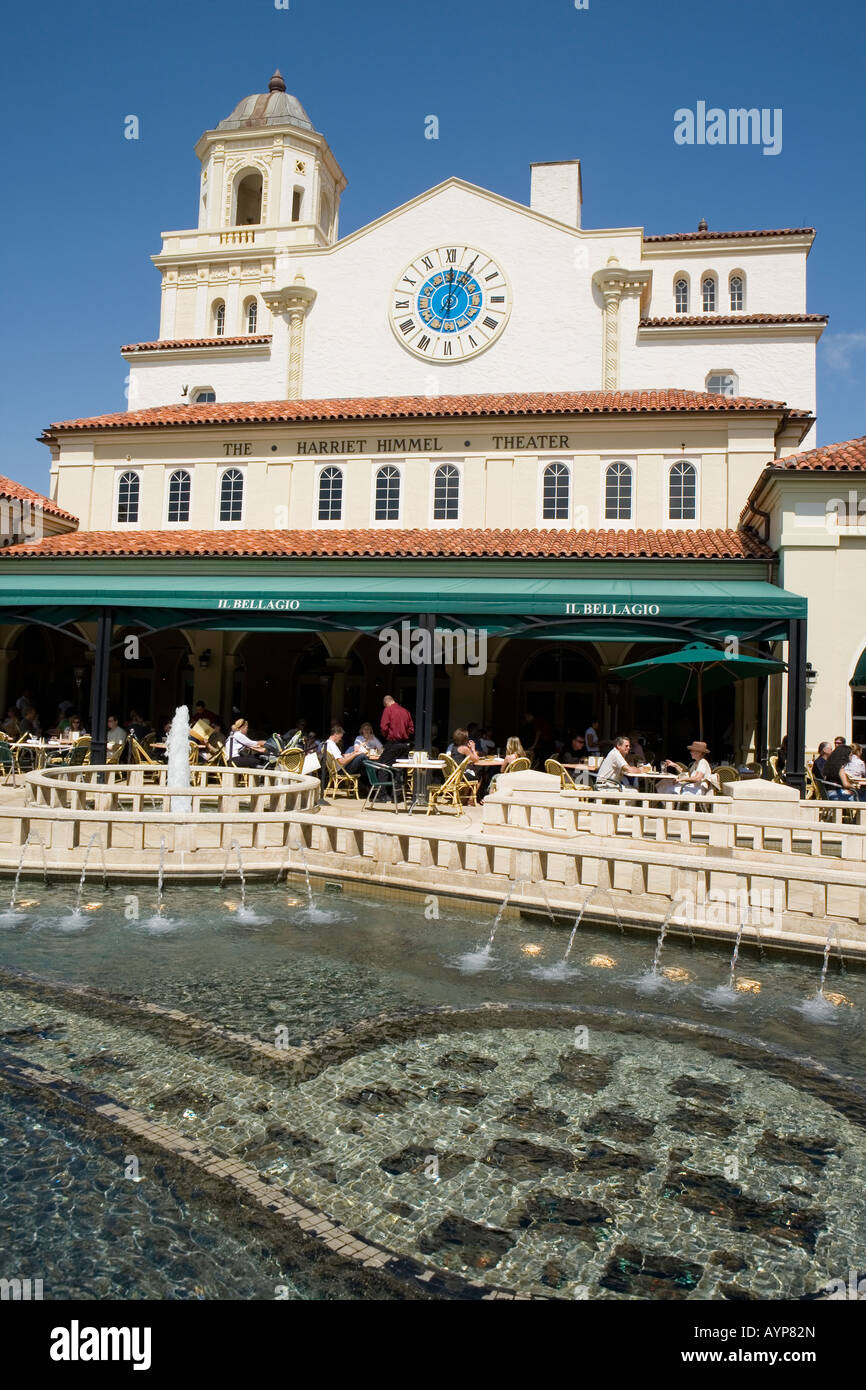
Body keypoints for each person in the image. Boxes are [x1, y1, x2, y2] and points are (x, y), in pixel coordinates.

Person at [380, 694, 414, 764]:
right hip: (405, 745)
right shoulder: (406, 711)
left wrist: (387, 736)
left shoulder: (388, 710)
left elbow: (384, 728)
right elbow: (411, 730)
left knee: (383, 767)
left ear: (386, 703)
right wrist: (403, 734)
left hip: (393, 744)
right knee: (401, 768)